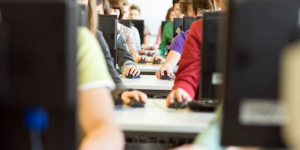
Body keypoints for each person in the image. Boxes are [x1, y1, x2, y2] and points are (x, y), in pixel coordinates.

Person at [91, 0, 148, 104]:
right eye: (87, 12)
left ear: (105, 14)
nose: (92, 17)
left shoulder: (115, 33)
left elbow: (124, 57)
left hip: (104, 88)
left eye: (98, 14)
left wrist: (129, 67)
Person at [155, 0, 215, 79]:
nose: (206, 17)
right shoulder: (182, 37)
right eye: (202, 12)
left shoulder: (226, 36)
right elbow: (170, 63)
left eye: (210, 12)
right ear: (194, 13)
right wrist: (167, 68)